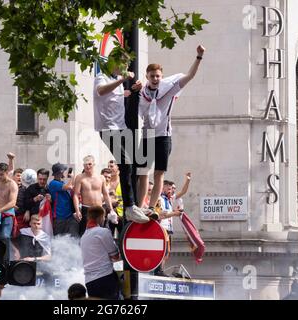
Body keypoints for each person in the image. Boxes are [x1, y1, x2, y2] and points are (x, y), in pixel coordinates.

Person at [137, 45, 205, 213]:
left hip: (163, 135)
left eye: (158, 76)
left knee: (159, 173)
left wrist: (198, 57)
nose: (155, 79)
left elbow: (190, 76)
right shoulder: (141, 92)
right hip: (147, 134)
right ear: (147, 76)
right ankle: (139, 207)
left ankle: (152, 207)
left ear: (162, 76)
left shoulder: (169, 87)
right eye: (152, 76)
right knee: (142, 173)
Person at [93, 57, 149, 224]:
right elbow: (101, 91)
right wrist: (123, 80)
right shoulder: (101, 77)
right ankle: (129, 207)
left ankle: (133, 205)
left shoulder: (118, 80)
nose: (125, 69)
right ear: (114, 63)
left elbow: (120, 96)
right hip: (107, 127)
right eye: (123, 65)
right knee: (125, 162)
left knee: (133, 164)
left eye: (126, 66)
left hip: (121, 127)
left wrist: (133, 89)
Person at [80, 206, 121, 300]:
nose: (104, 219)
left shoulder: (83, 237)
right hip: (105, 278)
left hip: (90, 282)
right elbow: (115, 256)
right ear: (99, 217)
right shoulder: (103, 232)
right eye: (104, 217)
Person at [73, 155, 116, 236]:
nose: (87, 166)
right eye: (85, 164)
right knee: (85, 233)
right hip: (87, 209)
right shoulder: (80, 177)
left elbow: (106, 195)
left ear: (94, 164)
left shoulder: (101, 178)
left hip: (99, 209)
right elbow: (75, 195)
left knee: (101, 233)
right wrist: (77, 210)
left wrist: (111, 210)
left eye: (89, 164)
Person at [0, 163, 19, 257]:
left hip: (7, 214)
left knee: (5, 236)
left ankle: (6, 261)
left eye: (2, 174)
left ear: (7, 173)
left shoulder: (12, 184)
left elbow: (12, 203)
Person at [48, 163, 79, 237]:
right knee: (59, 240)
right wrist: (72, 177)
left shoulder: (62, 182)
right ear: (61, 172)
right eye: (65, 170)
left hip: (69, 217)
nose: (66, 172)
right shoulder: (53, 183)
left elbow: (71, 188)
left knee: (73, 239)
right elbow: (68, 187)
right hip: (59, 218)